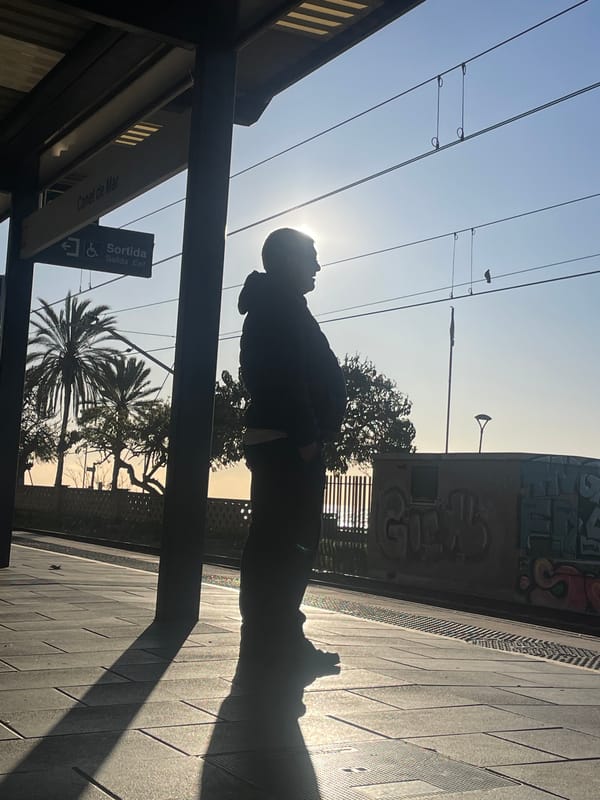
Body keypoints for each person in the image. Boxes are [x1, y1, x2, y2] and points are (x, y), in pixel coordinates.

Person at [236, 228, 347, 685]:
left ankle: (273, 641)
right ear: (286, 259)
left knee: (275, 546)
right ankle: (277, 644)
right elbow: (283, 376)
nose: (319, 266)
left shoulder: (278, 304)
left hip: (284, 441)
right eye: (312, 257)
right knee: (288, 547)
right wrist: (306, 438)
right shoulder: (278, 307)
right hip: (288, 444)